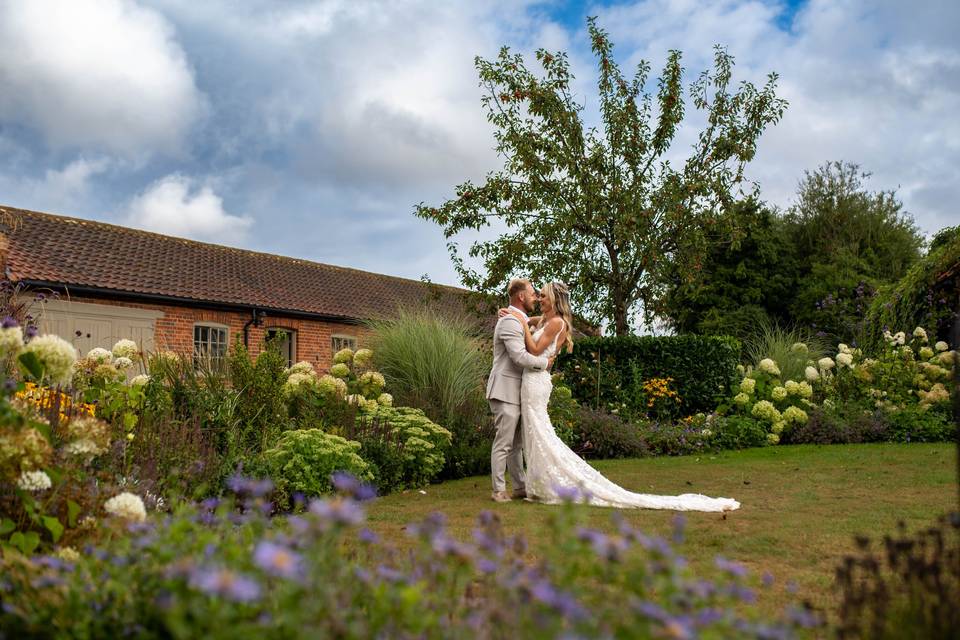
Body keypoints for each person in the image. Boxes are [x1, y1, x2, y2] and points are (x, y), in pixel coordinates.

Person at [501, 281, 740, 512]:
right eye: (539, 295)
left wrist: (520, 326)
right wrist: (515, 315)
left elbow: (533, 349)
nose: (539, 298)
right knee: (535, 432)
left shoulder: (556, 323)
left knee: (540, 432)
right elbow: (528, 319)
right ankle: (537, 484)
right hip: (532, 381)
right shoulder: (546, 320)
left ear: (554, 299)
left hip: (536, 382)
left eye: (543, 295)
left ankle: (548, 484)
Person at [486, 278, 551, 503]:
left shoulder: (519, 319)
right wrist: (545, 363)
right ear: (521, 296)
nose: (536, 297)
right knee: (504, 442)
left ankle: (520, 487)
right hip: (504, 389)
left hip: (517, 390)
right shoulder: (509, 322)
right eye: (533, 293)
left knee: (517, 444)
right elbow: (518, 356)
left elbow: (540, 322)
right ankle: (498, 490)